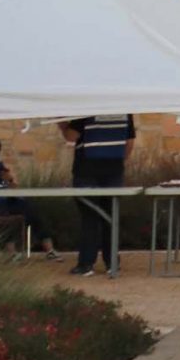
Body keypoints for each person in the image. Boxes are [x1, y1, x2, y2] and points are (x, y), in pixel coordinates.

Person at [60, 113, 136, 276]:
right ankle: (112, 263)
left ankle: (86, 264)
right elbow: (129, 142)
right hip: (114, 170)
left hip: (87, 171)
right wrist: (119, 164)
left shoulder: (88, 109)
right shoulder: (125, 111)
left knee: (89, 216)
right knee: (111, 216)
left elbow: (71, 137)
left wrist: (60, 121)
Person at [0, 136, 58, 260]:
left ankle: (49, 249)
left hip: (8, 199)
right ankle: (11, 252)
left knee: (31, 211)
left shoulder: (0, 166)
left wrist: (9, 179)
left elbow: (13, 187)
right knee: (5, 215)